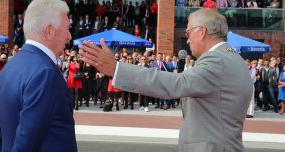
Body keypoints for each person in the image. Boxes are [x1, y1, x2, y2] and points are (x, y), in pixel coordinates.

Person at [79, 8, 253, 152]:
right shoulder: (232, 58)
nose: (188, 38)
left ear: (202, 31)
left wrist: (117, 69)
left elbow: (177, 84)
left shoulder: (217, 60)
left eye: (188, 32)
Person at [0, 0, 77, 152]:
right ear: (49, 31)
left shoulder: (10, 67)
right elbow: (26, 143)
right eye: (67, 29)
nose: (69, 36)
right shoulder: (45, 74)